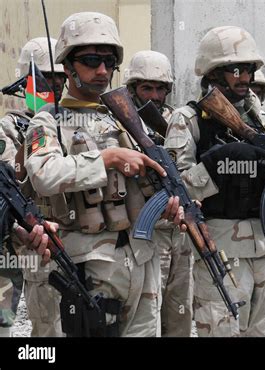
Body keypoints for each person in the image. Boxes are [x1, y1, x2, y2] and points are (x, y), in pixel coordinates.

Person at [24, 12, 183, 337]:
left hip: (142, 259)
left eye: (109, 62)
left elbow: (148, 185)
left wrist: (169, 202)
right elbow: (43, 173)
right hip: (88, 264)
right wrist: (107, 158)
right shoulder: (48, 122)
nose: (101, 71)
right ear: (68, 66)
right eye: (91, 60)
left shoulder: (128, 120)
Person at [165, 26, 265, 336]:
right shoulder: (187, 120)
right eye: (235, 69)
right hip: (221, 248)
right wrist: (218, 164)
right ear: (213, 74)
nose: (245, 77)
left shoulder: (260, 118)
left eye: (249, 69)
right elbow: (176, 189)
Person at [123, 50, 193, 337]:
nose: (154, 94)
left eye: (160, 88)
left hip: (181, 229)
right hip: (147, 232)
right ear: (132, 89)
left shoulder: (177, 123)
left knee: (180, 310)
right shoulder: (123, 123)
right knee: (147, 312)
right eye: (146, 88)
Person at [0, 37, 67, 337]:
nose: (54, 87)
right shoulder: (10, 127)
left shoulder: (70, 122)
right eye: (45, 79)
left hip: (70, 233)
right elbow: (9, 183)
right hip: (25, 235)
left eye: (60, 79)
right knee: (43, 326)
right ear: (26, 83)